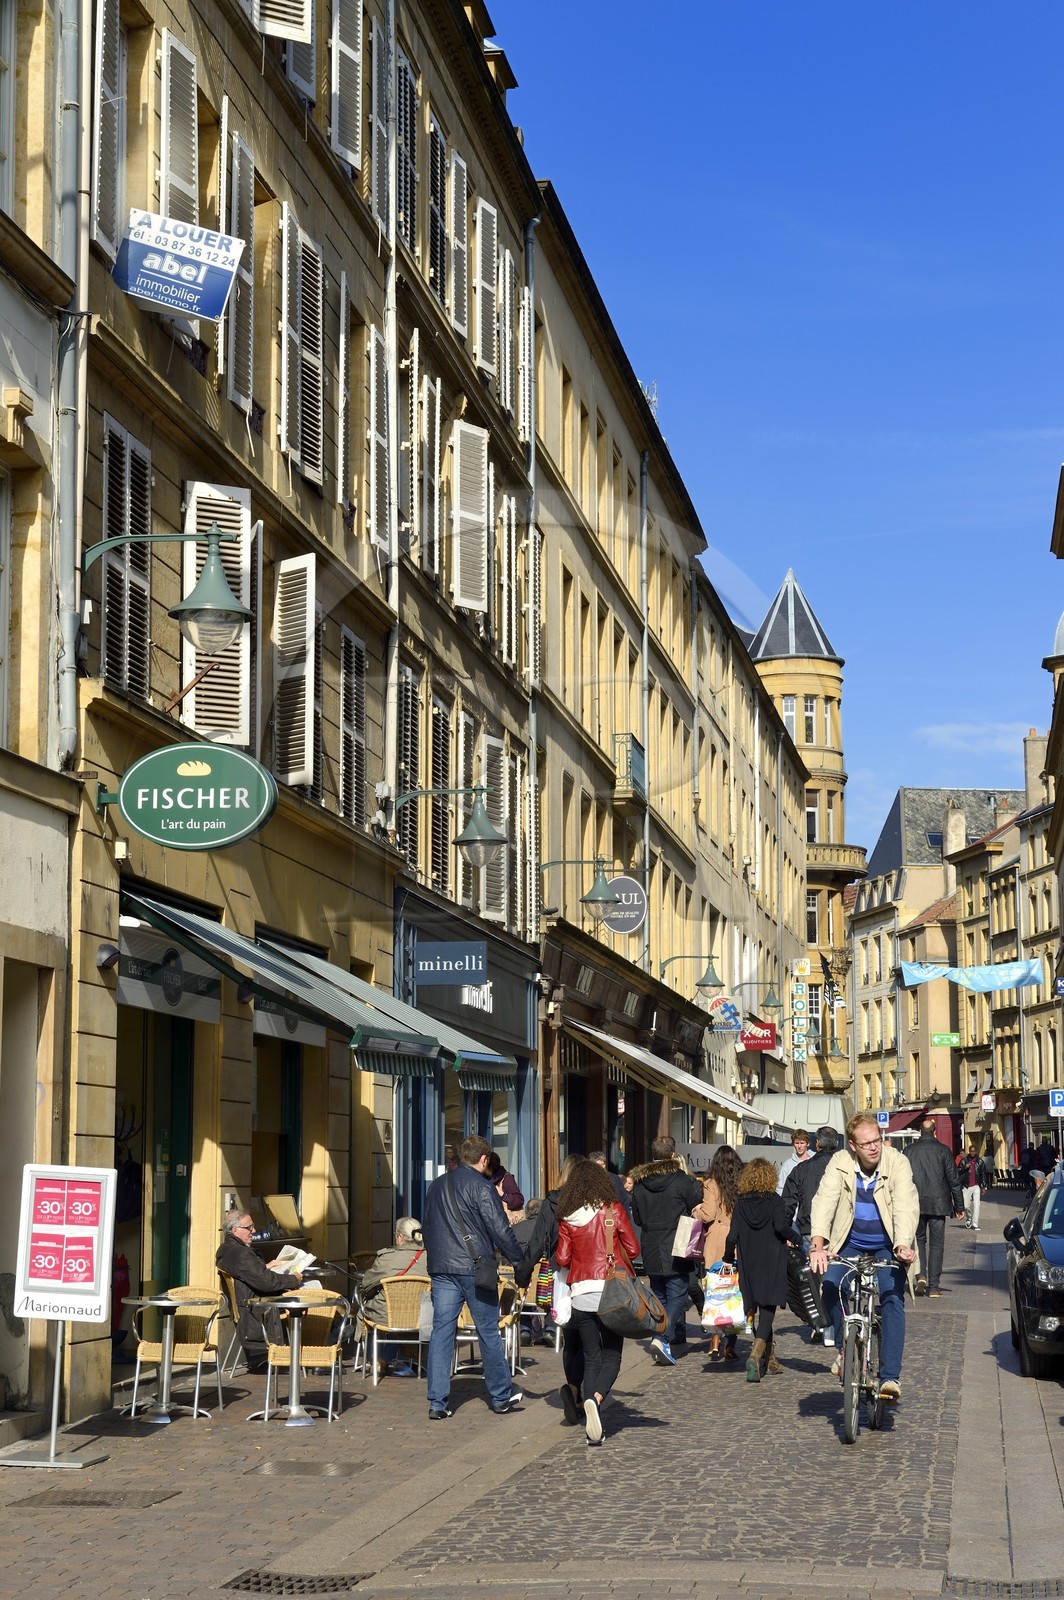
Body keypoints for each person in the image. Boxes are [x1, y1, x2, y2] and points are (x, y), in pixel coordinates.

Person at [809, 1112, 919, 1406]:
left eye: (878, 1141)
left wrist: (903, 1244)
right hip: (849, 1242)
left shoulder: (897, 1162)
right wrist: (818, 1243)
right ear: (853, 1147)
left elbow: (906, 1204)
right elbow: (824, 1200)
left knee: (893, 1298)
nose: (874, 1147)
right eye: (866, 1143)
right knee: (830, 1286)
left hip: (888, 1244)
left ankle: (890, 1378)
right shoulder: (840, 1163)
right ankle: (848, 1346)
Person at [422, 1134, 524, 1420]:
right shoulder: (482, 1186)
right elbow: (500, 1229)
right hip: (476, 1268)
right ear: (483, 1159)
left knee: (442, 1332)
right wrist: (519, 1261)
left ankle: (437, 1402)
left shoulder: (437, 1186)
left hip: (442, 1269)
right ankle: (501, 1396)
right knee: (487, 1331)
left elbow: (428, 1226)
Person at [554, 1158, 640, 1447]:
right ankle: (595, 1399)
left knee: (591, 1356)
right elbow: (633, 1249)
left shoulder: (568, 1218)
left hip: (581, 1293)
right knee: (612, 1356)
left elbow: (562, 1259)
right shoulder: (612, 1210)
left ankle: (591, 1414)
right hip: (610, 1293)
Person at [630, 1134, 705, 1365]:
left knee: (659, 1294)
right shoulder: (682, 1181)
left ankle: (662, 1337)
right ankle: (662, 1337)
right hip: (677, 1243)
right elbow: (698, 1208)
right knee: (678, 1293)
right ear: (673, 1155)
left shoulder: (640, 1184)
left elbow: (639, 1219)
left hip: (651, 1243)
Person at [723, 1156, 799, 1381]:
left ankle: (770, 1359)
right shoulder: (775, 1201)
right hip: (772, 1259)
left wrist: (728, 1257)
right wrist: (797, 1239)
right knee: (767, 1311)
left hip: (748, 1261)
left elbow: (732, 1236)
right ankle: (756, 1355)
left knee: (754, 1309)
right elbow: (780, 1226)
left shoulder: (741, 1203)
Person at [215, 1209, 304, 1373]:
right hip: (258, 1306)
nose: (253, 1231)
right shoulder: (242, 1254)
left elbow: (249, 1274)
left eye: (253, 1227)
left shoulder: (226, 1249)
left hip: (250, 1302)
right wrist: (294, 1279)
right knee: (309, 1295)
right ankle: (323, 1347)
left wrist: (264, 1267)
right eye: (249, 1228)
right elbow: (267, 1283)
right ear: (236, 1230)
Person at [781, 1126, 840, 1343]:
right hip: (838, 1230)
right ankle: (833, 1325)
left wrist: (785, 1229)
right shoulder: (845, 1167)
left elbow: (788, 1201)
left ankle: (822, 1326)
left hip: (809, 1229)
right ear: (836, 1144)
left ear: (816, 1144)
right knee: (836, 1278)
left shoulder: (802, 1169)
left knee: (815, 1280)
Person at [693, 1144, 744, 1360]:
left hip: (717, 1241)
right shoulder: (742, 1182)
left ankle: (714, 1338)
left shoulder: (711, 1183)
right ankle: (730, 1345)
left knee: (713, 1291)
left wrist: (696, 1210)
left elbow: (708, 1213)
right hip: (738, 1239)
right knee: (734, 1294)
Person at [356, 1216, 425, 1374]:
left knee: (367, 1311)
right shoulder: (430, 1258)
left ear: (400, 1237)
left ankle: (376, 1359)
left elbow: (366, 1284)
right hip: (420, 1315)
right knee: (403, 1318)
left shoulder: (387, 1258)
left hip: (385, 1315)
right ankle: (385, 1358)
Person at [905, 1121, 965, 1297]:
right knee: (937, 1244)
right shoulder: (943, 1150)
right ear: (935, 1132)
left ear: (919, 1132)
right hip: (939, 1204)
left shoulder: (909, 1151)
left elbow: (901, 1179)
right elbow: (953, 1179)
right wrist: (959, 1206)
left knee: (919, 1241)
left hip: (915, 1203)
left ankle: (920, 1275)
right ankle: (934, 1286)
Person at [588, 1149, 635, 1223]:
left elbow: (623, 1200)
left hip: (612, 1220)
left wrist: (625, 1220)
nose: (601, 1168)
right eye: (598, 1165)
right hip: (592, 1221)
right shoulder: (586, 1181)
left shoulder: (615, 1179)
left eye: (602, 1164)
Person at [956, 1145, 989, 1230]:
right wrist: (964, 1167)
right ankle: (969, 1217)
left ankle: (975, 1224)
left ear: (976, 1152)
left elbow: (983, 1175)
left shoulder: (980, 1162)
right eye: (971, 1151)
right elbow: (957, 1172)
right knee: (966, 1206)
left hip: (976, 1186)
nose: (972, 1153)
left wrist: (984, 1187)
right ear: (969, 1151)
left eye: (974, 1151)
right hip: (967, 1186)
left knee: (977, 1205)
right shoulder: (964, 1161)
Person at [485, 1151, 524, 1216]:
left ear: (490, 1167)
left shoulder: (506, 1178)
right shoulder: (484, 1178)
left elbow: (519, 1200)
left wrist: (503, 1195)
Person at [776, 1129, 813, 1194]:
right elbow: (780, 1187)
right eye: (797, 1143)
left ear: (808, 1144)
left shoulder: (814, 1161)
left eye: (802, 1143)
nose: (799, 1146)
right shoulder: (788, 1164)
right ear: (793, 1144)